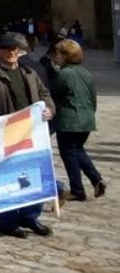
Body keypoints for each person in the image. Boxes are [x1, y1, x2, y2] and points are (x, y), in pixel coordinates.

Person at [0, 33, 56, 237]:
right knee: (6, 179)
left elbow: (45, 95)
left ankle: (30, 216)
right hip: (5, 136)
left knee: (35, 175)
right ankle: (9, 222)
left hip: (31, 133)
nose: (12, 53)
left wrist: (49, 109)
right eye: (7, 50)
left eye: (14, 49)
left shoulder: (29, 72)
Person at [43, 38, 105, 202]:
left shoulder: (64, 74)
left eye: (57, 54)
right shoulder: (86, 73)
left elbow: (52, 94)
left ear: (64, 56)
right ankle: (96, 180)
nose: (55, 57)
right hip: (86, 119)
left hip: (69, 120)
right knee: (78, 150)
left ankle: (77, 190)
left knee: (69, 153)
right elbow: (93, 97)